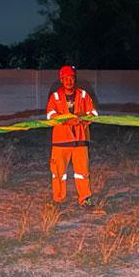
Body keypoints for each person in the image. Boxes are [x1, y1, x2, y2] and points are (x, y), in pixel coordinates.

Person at [45, 65, 98, 207]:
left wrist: (87, 119)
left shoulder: (83, 95)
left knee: (82, 172)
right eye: (66, 78)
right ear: (61, 80)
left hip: (80, 140)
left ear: (75, 79)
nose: (69, 81)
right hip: (61, 141)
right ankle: (58, 199)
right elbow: (50, 115)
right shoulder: (55, 96)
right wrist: (67, 120)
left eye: (72, 78)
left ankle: (85, 199)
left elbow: (93, 113)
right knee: (58, 173)